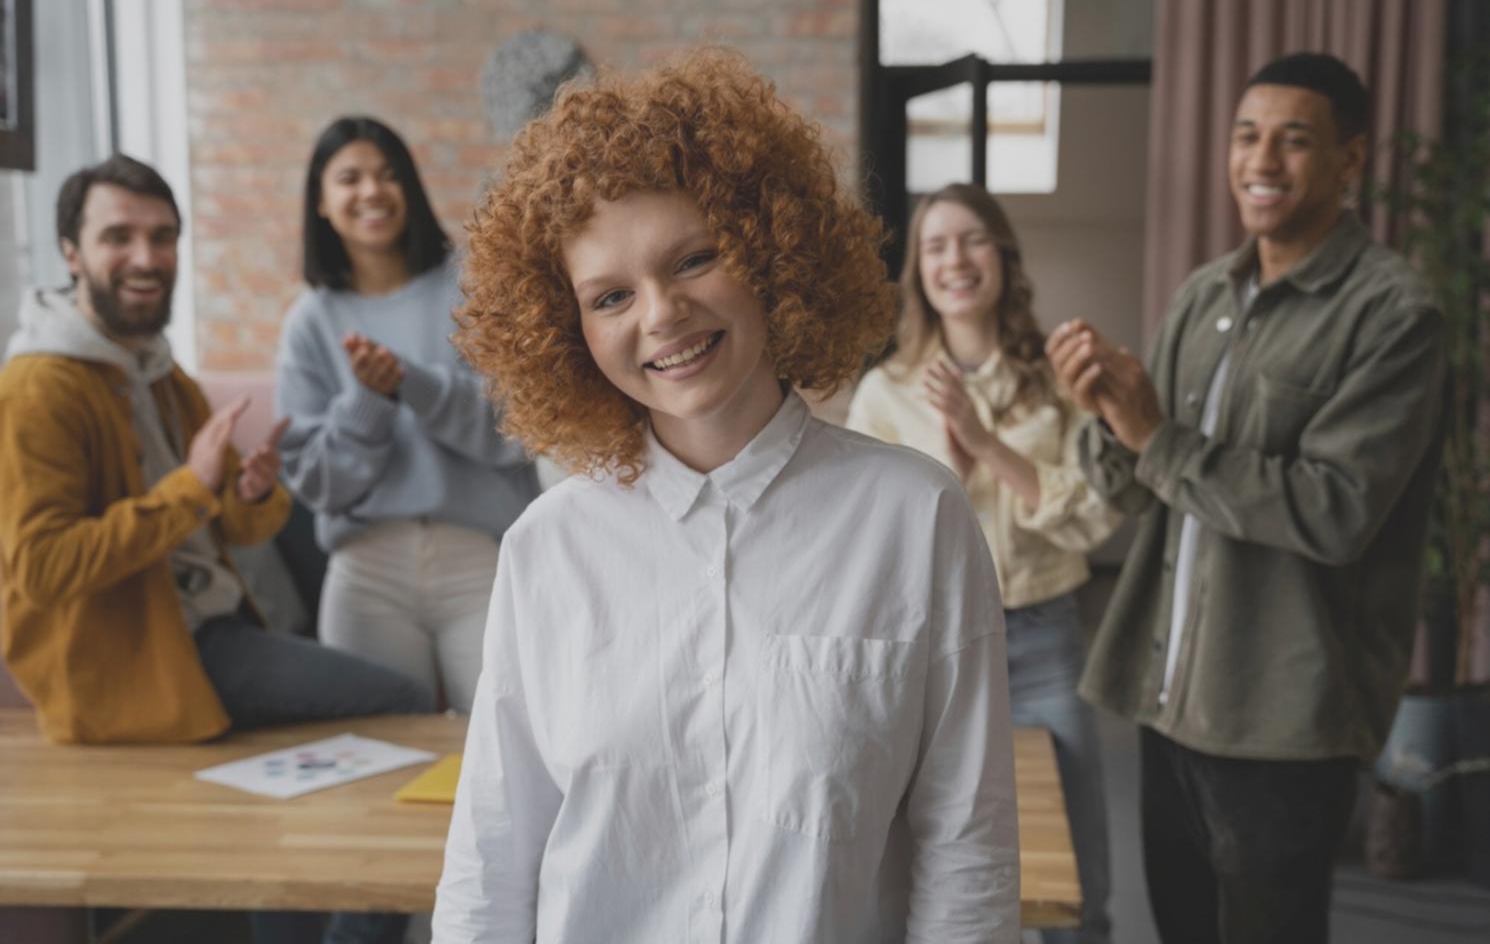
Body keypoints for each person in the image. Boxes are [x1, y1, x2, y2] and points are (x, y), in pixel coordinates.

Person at [432, 51, 1021, 943]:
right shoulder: (546, 549)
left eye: (696, 257)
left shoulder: (915, 518)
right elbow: (493, 858)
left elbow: (965, 849)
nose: (660, 314)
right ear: (568, 330)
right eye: (610, 295)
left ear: (775, 256)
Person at [1047, 53, 1445, 944]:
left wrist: (1157, 436)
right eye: (1246, 135)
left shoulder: (1392, 314)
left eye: (1293, 139)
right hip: (1169, 696)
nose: (1260, 160)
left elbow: (1337, 509)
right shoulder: (1204, 294)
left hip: (1280, 720)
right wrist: (1109, 416)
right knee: (1181, 927)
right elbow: (1138, 488)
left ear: (1350, 160)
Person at [0, 154, 435, 944]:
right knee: (405, 704)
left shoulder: (163, 375)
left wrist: (249, 494)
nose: (146, 257)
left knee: (331, 756)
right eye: (119, 236)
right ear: (71, 252)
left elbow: (238, 529)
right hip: (147, 658)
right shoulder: (38, 388)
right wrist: (195, 488)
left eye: (162, 237)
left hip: (209, 635)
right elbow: (42, 568)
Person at [846, 182, 1120, 944]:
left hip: (1042, 644)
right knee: (930, 868)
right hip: (927, 655)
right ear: (918, 273)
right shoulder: (884, 394)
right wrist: (953, 466)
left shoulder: (1062, 380)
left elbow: (1092, 519)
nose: (954, 260)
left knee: (1076, 885)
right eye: (935, 246)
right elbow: (876, 544)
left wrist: (986, 443)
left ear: (1002, 255)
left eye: (971, 240)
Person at [276, 116, 539, 713]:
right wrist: (370, 401)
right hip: (367, 570)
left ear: (410, 189)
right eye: (350, 178)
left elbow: (517, 428)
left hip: (482, 556)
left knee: (510, 737)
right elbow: (317, 482)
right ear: (321, 201)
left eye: (388, 175)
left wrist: (412, 385)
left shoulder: (471, 289)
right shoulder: (309, 324)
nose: (371, 191)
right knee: (374, 751)